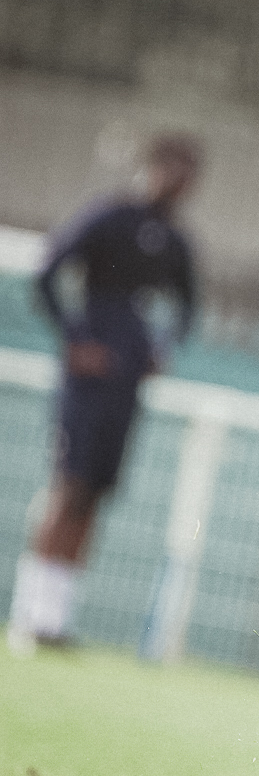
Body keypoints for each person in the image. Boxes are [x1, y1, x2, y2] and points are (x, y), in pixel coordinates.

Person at [6, 135, 200, 656]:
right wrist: (75, 339)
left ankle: (57, 618)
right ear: (152, 168)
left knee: (94, 493)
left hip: (126, 378)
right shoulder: (110, 217)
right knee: (67, 486)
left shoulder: (176, 242)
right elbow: (47, 272)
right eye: (172, 167)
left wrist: (160, 348)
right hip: (89, 377)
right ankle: (30, 616)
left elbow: (187, 309)